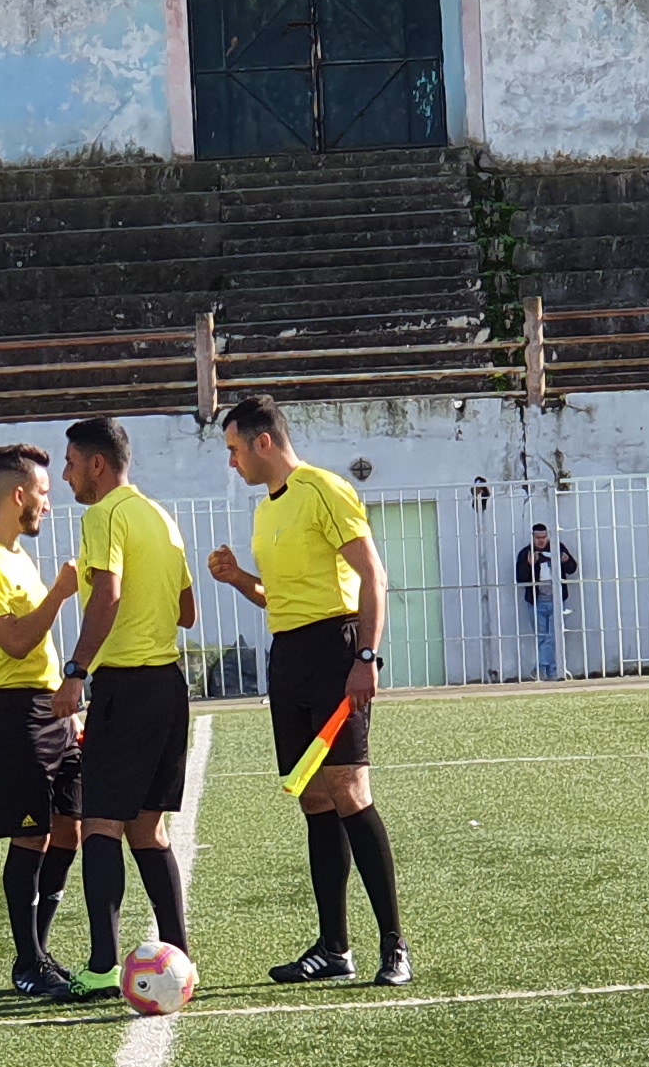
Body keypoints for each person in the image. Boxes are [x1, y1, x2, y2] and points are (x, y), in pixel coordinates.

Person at [203, 394, 408, 986]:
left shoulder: (325, 489)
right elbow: (280, 599)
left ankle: (394, 945)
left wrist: (365, 656)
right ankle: (334, 948)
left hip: (335, 651)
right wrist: (239, 579)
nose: (232, 461)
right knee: (313, 798)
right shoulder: (265, 511)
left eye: (235, 449)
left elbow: (373, 576)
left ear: (263, 442)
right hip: (288, 656)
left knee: (349, 788)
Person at [55, 414, 199, 983]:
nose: (65, 476)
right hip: (168, 687)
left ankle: (100, 967)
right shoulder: (161, 517)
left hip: (126, 687)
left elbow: (107, 595)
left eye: (70, 464)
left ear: (97, 464)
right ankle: (180, 960)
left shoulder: (103, 515)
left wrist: (76, 670)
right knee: (147, 828)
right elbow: (187, 613)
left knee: (99, 825)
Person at [0, 442, 91, 998]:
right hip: (9, 712)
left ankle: (40, 952)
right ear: (18, 494)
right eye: (44, 493)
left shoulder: (16, 556)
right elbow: (14, 642)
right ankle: (27, 963)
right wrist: (60, 593)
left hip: (51, 709)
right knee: (32, 834)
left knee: (70, 827)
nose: (49, 504)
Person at [511, 521, 579, 680]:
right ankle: (553, 671)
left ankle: (541, 668)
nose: (541, 541)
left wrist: (566, 561)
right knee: (543, 637)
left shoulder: (557, 548)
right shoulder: (526, 553)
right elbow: (521, 579)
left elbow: (572, 568)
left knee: (554, 636)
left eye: (544, 537)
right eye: (538, 538)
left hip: (556, 601)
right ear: (533, 538)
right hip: (536, 602)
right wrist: (529, 565)